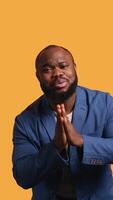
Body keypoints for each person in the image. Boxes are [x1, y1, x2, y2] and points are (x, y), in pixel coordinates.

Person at [12, 45, 113, 200]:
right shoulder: (25, 121)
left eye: (63, 66)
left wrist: (81, 142)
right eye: (47, 69)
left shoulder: (104, 103)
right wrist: (55, 146)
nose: (57, 73)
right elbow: (23, 176)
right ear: (38, 76)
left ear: (74, 68)